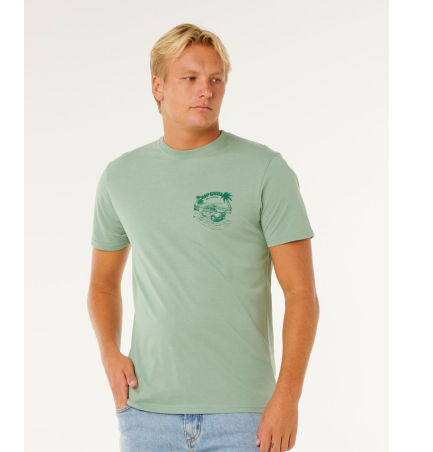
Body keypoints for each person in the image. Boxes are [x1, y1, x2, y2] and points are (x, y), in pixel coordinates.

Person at [87, 23, 320, 452]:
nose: (205, 91)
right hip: (146, 417)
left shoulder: (265, 170)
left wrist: (288, 396)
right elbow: (102, 284)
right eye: (190, 78)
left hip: (245, 418)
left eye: (216, 79)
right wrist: (108, 351)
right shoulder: (121, 177)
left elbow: (301, 293)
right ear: (157, 87)